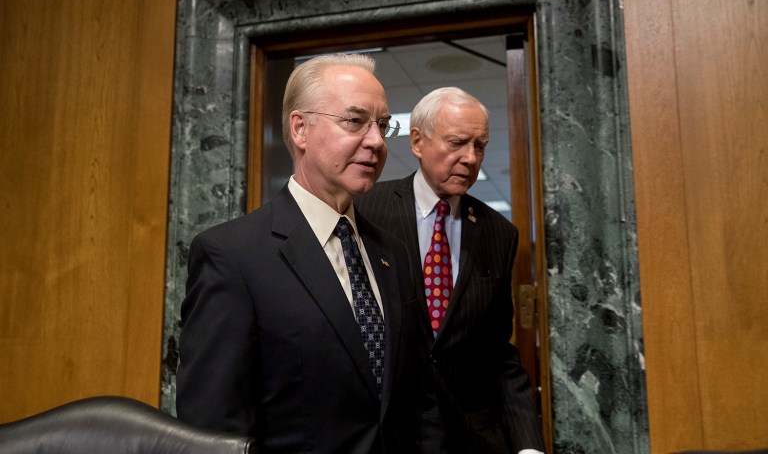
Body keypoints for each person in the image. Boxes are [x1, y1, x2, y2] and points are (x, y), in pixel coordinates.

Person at [176, 53, 433, 453]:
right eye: (354, 121)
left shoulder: (393, 253)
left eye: (383, 125)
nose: (377, 141)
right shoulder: (232, 256)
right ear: (300, 128)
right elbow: (211, 431)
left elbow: (420, 396)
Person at [356, 87, 546, 454]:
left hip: (470, 436)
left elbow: (498, 352)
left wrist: (528, 446)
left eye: (480, 145)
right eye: (457, 142)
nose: (471, 158)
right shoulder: (367, 209)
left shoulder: (497, 232)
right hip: (387, 435)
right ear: (417, 141)